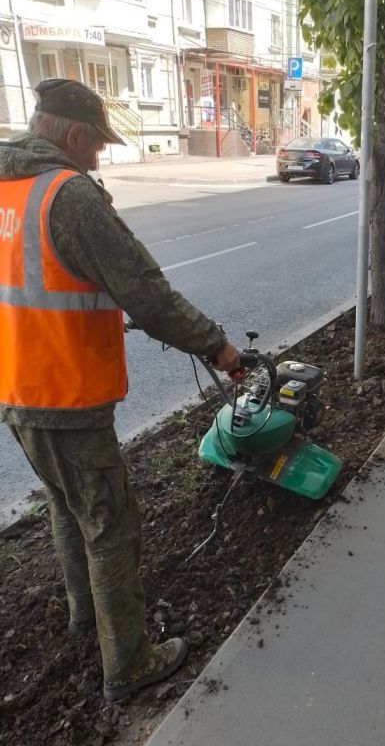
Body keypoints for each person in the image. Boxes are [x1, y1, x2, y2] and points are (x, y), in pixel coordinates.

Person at [0, 79, 241, 702]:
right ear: (74, 134)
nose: (99, 155)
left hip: (17, 390)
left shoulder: (8, 186)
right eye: (98, 144)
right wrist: (216, 345)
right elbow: (145, 291)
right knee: (110, 526)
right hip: (68, 395)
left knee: (67, 507)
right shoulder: (70, 195)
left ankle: (87, 618)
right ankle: (129, 664)